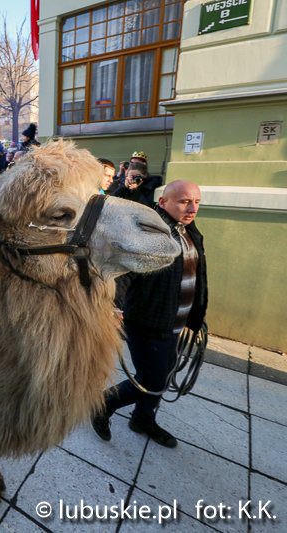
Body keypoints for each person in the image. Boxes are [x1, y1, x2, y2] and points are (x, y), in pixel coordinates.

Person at [93, 180, 207, 448]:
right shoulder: (150, 232)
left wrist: (196, 313)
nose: (192, 208)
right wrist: (112, 303)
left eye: (197, 202)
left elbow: (195, 273)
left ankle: (143, 419)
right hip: (149, 322)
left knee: (163, 374)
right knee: (152, 379)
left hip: (175, 322)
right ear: (163, 202)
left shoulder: (188, 230)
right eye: (184, 201)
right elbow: (124, 271)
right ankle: (102, 405)